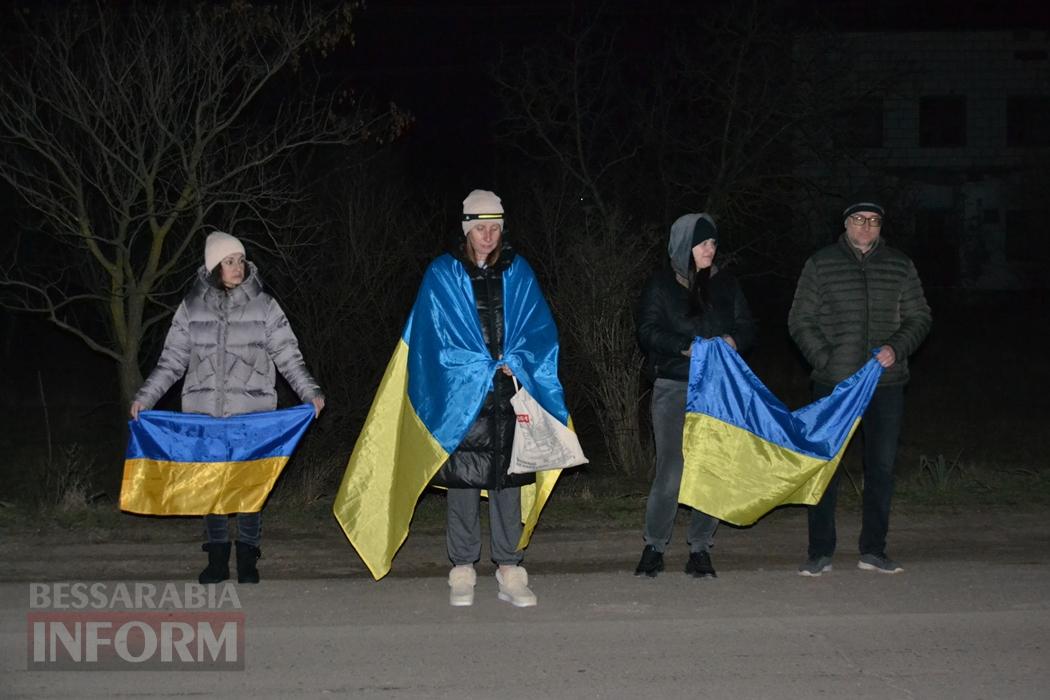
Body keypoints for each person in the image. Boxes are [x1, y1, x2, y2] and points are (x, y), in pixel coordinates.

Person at [130, 231, 325, 584]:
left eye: (240, 260)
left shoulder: (265, 306)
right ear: (213, 266)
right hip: (205, 415)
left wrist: (309, 391)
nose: (238, 267)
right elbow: (172, 361)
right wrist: (145, 398)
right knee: (212, 488)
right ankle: (217, 558)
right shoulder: (191, 307)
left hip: (253, 415)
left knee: (250, 487)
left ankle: (248, 557)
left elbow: (287, 355)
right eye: (229, 261)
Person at [427, 189, 563, 608]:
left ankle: (509, 568)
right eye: (480, 228)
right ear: (466, 230)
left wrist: (516, 361)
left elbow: (540, 331)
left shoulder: (518, 272)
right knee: (464, 480)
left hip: (509, 396)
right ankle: (462, 568)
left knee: (509, 481)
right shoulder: (443, 273)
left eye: (495, 228)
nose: (488, 237)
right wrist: (471, 366)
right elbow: (431, 338)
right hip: (462, 399)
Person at [788, 199, 931, 576]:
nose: (866, 226)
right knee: (825, 467)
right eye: (858, 220)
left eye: (874, 221)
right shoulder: (821, 263)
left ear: (881, 226)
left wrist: (896, 348)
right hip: (834, 386)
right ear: (846, 224)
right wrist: (825, 360)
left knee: (881, 468)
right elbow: (800, 320)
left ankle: (873, 550)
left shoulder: (900, 265)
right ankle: (819, 551)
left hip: (886, 384)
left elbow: (920, 317)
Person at [635, 213, 755, 578]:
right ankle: (654, 545)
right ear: (683, 246)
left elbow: (748, 326)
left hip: (717, 389)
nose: (710, 249)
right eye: (703, 243)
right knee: (672, 469)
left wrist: (734, 340)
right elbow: (647, 331)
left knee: (713, 468)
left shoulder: (726, 284)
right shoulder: (661, 285)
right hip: (674, 385)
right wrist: (684, 347)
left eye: (713, 243)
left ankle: (700, 548)